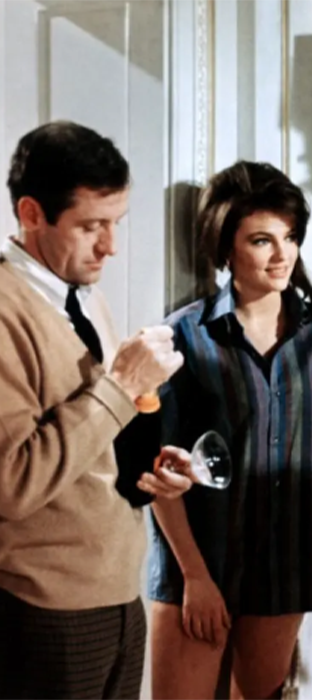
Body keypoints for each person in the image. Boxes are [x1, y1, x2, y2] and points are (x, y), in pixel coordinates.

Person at [147, 160, 312, 699]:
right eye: (262, 240)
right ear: (226, 248)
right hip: (198, 566)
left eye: (290, 237)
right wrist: (195, 576)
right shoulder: (184, 337)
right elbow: (158, 469)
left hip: (285, 570)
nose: (282, 254)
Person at [0, 120, 193, 700]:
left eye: (115, 224)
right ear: (31, 214)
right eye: (90, 227)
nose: (110, 246)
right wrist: (120, 386)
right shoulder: (7, 311)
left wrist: (154, 468)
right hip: (44, 610)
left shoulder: (82, 298)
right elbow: (12, 484)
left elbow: (94, 443)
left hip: (118, 595)